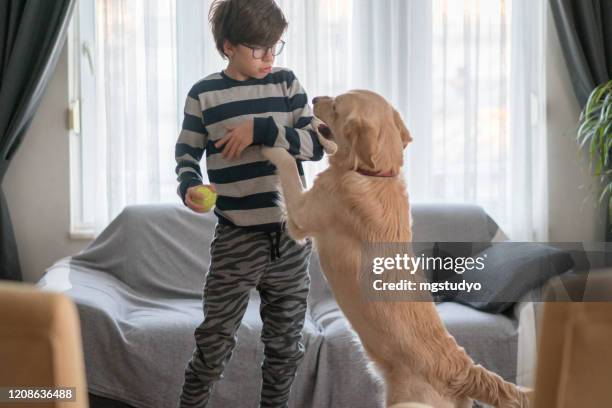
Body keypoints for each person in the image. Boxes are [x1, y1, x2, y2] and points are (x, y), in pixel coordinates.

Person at [173, 0, 324, 406]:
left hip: (291, 240)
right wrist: (189, 185)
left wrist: (261, 128)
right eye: (259, 48)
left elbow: (316, 146)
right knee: (213, 344)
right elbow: (187, 154)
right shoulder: (204, 95)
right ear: (228, 47)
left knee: (285, 347)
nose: (270, 57)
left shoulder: (287, 84)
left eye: (276, 45)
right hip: (236, 239)